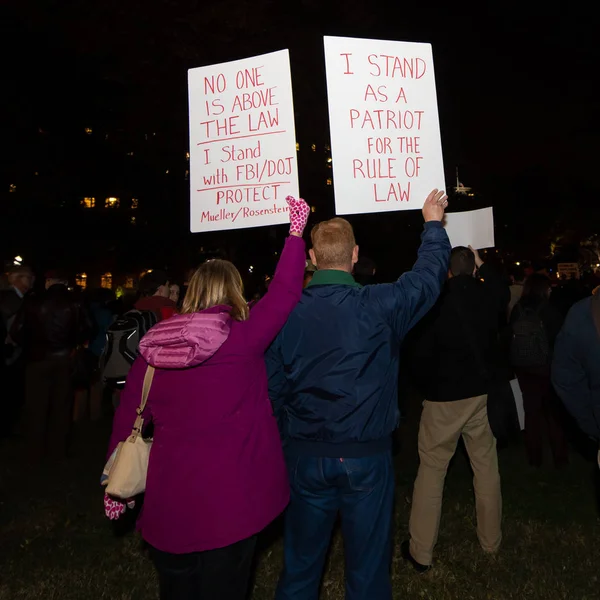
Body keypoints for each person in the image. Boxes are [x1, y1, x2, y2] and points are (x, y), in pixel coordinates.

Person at [104, 197, 310, 600]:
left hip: (170, 507)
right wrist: (295, 234)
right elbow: (284, 292)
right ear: (234, 292)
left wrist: (113, 485)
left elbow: (127, 419)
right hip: (232, 507)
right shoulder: (244, 338)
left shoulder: (152, 349)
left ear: (191, 291)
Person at [267, 189, 451, 600]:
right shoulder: (379, 304)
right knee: (367, 573)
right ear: (354, 256)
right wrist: (434, 223)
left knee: (299, 568)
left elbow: (271, 388)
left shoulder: (283, 312)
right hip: (366, 458)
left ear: (312, 259)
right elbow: (426, 279)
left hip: (305, 455)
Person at [403, 245, 508, 572]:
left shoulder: (436, 301)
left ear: (447, 271)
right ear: (472, 269)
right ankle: (491, 542)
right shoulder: (488, 296)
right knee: (486, 467)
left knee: (432, 471)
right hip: (480, 396)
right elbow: (502, 291)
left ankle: (421, 552)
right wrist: (482, 264)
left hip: (443, 399)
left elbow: (417, 355)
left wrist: (429, 386)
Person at [11, 271, 89, 462]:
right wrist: (73, 344)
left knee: (36, 406)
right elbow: (88, 328)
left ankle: (35, 451)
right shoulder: (75, 301)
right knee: (61, 407)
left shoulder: (33, 301)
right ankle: (57, 452)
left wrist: (30, 346)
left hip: (37, 359)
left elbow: (16, 330)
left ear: (48, 282)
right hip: (64, 359)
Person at [510, 274, 568, 467]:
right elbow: (560, 339)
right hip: (547, 367)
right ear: (543, 289)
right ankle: (560, 459)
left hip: (524, 367)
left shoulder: (517, 309)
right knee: (554, 414)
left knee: (531, 412)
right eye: (549, 287)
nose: (551, 290)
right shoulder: (550, 310)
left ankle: (534, 458)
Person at [552, 293, 600, 463]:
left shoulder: (582, 312)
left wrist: (592, 425)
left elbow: (566, 380)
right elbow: (566, 379)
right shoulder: (583, 314)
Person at [0, 265, 35, 437]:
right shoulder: (12, 300)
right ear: (17, 279)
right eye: (27, 277)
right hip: (10, 353)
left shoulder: (17, 298)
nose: (31, 281)